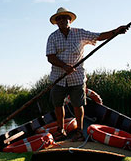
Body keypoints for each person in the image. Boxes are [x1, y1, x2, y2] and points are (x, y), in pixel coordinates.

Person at [46, 7, 129, 141]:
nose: (62, 20)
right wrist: (64, 66)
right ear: (56, 22)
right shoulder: (53, 37)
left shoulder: (80, 33)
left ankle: (79, 131)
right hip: (58, 78)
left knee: (78, 105)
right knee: (58, 104)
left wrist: (116, 31)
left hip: (77, 77)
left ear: (70, 20)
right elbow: (50, 57)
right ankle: (60, 130)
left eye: (65, 18)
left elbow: (99, 36)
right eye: (59, 18)